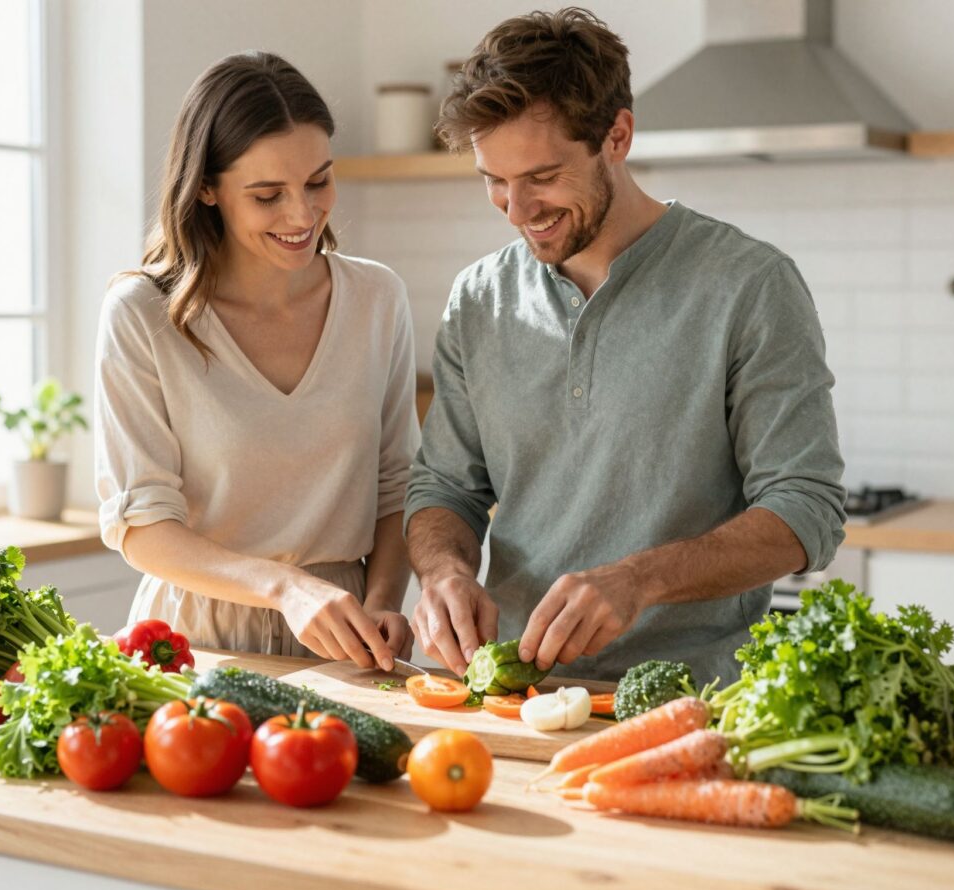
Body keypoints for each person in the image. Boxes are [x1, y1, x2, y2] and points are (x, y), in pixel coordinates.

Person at [404, 8, 846, 688]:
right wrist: (443, 574)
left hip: (695, 704)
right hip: (522, 697)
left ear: (617, 136)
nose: (516, 210)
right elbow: (444, 487)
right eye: (494, 179)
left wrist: (640, 579)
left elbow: (805, 507)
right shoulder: (479, 298)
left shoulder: (749, 284)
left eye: (542, 177)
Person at [94, 52, 419, 671]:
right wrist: (283, 587)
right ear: (208, 188)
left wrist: (381, 602)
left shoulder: (378, 299)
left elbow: (396, 484)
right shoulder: (142, 311)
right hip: (191, 641)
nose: (302, 215)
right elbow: (141, 526)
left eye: (318, 181)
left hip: (343, 638)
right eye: (268, 194)